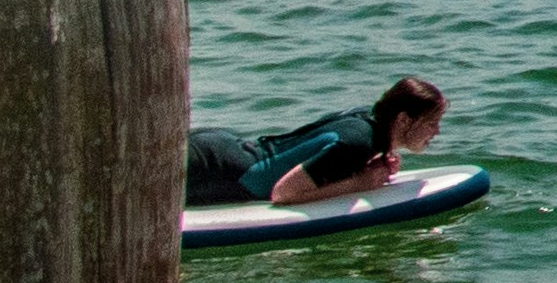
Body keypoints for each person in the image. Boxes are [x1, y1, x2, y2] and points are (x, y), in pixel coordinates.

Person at [188, 75, 445, 210]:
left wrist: (367, 164)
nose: (436, 132)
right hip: (214, 169)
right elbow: (283, 193)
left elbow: (325, 147)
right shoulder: (359, 144)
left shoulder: (363, 122)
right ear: (403, 120)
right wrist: (358, 183)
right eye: (431, 122)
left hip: (220, 150)